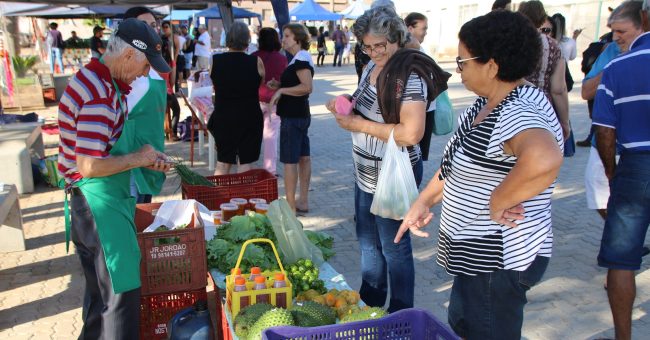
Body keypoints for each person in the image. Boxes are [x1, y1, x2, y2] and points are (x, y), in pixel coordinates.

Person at [395, 10, 563, 339]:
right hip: (476, 258)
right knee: (463, 328)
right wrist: (423, 201)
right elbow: (458, 163)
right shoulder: (487, 102)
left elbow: (544, 156)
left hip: (497, 263)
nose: (457, 72)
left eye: (462, 62)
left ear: (492, 65)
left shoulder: (518, 109)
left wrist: (501, 199)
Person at [325, 6, 448, 313]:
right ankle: (371, 302)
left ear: (395, 38)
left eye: (380, 44)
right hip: (365, 170)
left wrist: (358, 125)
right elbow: (365, 102)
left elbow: (411, 133)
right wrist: (343, 105)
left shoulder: (409, 75)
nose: (374, 51)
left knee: (393, 246)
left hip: (393, 173)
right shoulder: (371, 65)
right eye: (367, 46)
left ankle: (401, 312)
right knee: (368, 241)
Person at [57, 18, 171, 339]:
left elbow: (104, 146)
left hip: (91, 203)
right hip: (99, 206)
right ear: (128, 57)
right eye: (146, 65)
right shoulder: (98, 95)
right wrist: (139, 158)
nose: (146, 73)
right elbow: (90, 165)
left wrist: (146, 157)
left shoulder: (98, 80)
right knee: (120, 299)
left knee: (98, 301)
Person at [593, 0, 650, 338]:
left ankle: (623, 336)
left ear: (643, 19)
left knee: (621, 260)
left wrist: (612, 172)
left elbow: (604, 130)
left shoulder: (618, 68)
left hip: (635, 168)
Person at [583, 1, 644, 221]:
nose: (616, 37)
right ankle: (620, 232)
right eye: (613, 31)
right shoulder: (611, 53)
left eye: (621, 31)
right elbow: (586, 91)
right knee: (598, 193)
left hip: (635, 147)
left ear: (642, 27)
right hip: (606, 143)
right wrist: (614, 69)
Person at [123, 6, 169, 204]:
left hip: (152, 155)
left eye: (153, 26)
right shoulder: (124, 74)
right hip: (130, 164)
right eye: (144, 26)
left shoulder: (153, 68)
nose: (151, 31)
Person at [208, 22, 265, 175]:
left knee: (223, 162)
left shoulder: (215, 60)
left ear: (228, 39)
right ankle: (243, 198)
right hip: (250, 116)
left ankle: (219, 198)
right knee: (246, 162)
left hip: (224, 116)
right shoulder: (256, 61)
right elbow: (261, 83)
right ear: (247, 40)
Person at [268, 23, 314, 213]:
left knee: (290, 161)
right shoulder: (299, 58)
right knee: (303, 158)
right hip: (300, 115)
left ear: (298, 38)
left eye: (287, 36)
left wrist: (282, 90)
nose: (283, 39)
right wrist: (279, 84)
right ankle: (302, 201)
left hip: (293, 117)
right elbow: (300, 85)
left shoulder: (301, 59)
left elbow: (307, 87)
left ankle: (290, 206)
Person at [519, 1, 570, 143]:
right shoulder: (553, 45)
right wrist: (564, 122)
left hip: (510, 106)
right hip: (542, 109)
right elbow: (558, 89)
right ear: (542, 19)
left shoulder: (510, 42)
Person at [252, 28, 288, 176]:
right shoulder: (281, 58)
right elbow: (284, 80)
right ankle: (270, 170)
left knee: (252, 135)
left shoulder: (253, 57)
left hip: (255, 99)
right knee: (271, 137)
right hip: (274, 100)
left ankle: (247, 167)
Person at [405, 12, 437, 161]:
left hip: (427, 108)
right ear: (410, 28)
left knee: (420, 156)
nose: (426, 32)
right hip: (418, 110)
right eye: (423, 28)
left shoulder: (420, 49)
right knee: (414, 156)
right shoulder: (407, 51)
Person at [161, 21, 182, 141]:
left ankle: (164, 133)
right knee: (176, 110)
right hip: (166, 92)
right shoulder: (170, 63)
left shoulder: (152, 61)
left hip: (156, 93)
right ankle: (172, 133)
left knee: (162, 113)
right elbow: (173, 81)